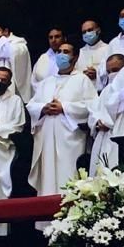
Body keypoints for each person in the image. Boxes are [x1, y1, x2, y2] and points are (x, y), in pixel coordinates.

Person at [27, 42, 96, 197]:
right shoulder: (47, 82)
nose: (61, 55)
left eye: (66, 52)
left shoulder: (82, 80)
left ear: (75, 57)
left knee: (68, 177)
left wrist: (64, 107)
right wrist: (44, 108)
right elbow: (32, 105)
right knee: (47, 181)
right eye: (59, 51)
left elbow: (92, 106)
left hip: (70, 141)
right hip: (47, 139)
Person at [87, 53, 124, 175]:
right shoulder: (106, 90)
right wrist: (97, 123)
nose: (112, 74)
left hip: (122, 135)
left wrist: (109, 122)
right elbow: (94, 111)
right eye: (109, 71)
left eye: (116, 70)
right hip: (104, 139)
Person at [0, 66, 25, 199]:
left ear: (9, 83)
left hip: (3, 147)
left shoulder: (15, 100)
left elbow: (17, 125)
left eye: (3, 80)